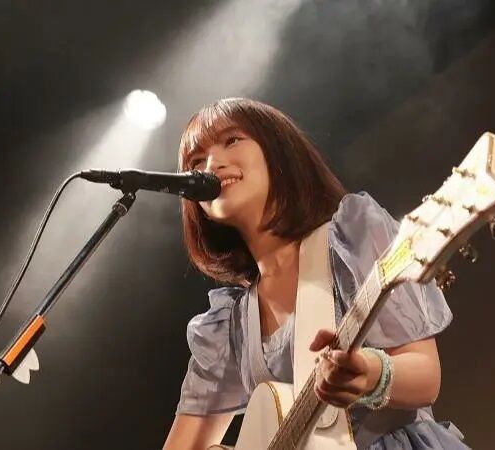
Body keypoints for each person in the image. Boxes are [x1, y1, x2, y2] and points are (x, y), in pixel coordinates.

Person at [163, 98, 469, 450]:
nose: (211, 165)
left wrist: (370, 372)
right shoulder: (230, 326)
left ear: (278, 150)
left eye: (232, 140)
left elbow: (426, 377)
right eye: (196, 161)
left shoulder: (352, 238)